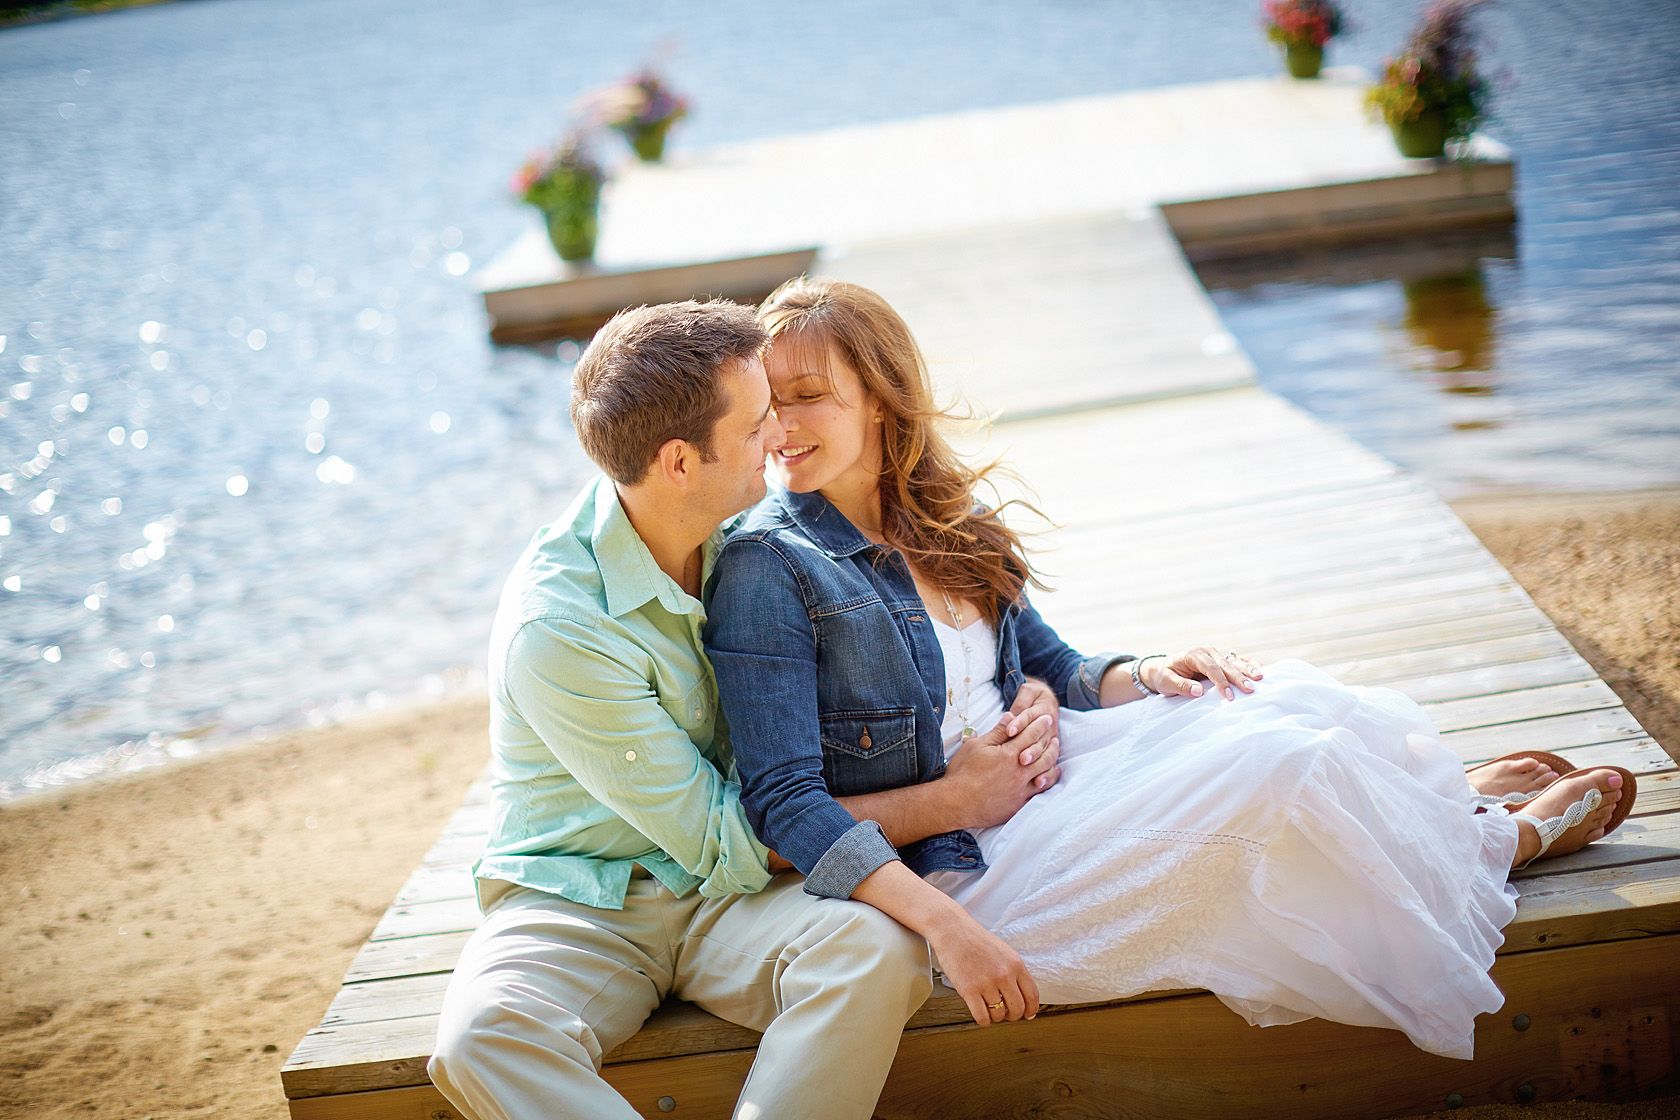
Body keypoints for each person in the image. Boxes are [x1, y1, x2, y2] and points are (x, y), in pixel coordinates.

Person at [702, 279, 1637, 1060]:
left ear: (882, 395)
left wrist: (1151, 671)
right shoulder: (768, 566)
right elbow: (782, 815)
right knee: (1280, 769)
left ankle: (1431, 809)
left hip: (1056, 773)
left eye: (809, 392)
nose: (780, 424)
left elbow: (1052, 667)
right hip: (965, 864)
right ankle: (1492, 843)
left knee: (1283, 702)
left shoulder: (944, 523)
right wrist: (955, 801)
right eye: (765, 403)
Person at [427, 299, 1070, 1120]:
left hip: (731, 899)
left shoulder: (747, 540)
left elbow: (953, 633)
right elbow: (724, 838)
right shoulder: (558, 629)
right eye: (757, 421)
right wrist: (952, 804)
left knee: (875, 953)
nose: (780, 435)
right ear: (680, 463)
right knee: (482, 1040)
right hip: (583, 898)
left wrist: (1033, 687)